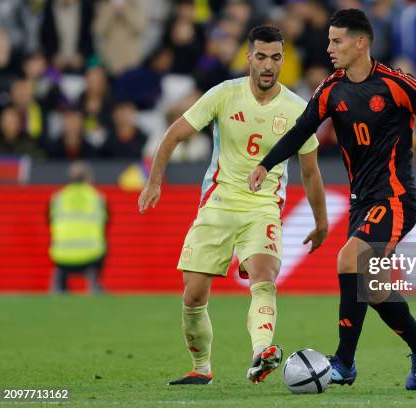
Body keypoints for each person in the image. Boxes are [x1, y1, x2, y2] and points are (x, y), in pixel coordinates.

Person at [248, 9, 416, 391]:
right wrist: (265, 163)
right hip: (361, 203)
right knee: (371, 287)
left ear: (361, 43)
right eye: (329, 40)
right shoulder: (330, 90)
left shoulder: (397, 84)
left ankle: (344, 363)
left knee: (348, 261)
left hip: (396, 198)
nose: (329, 48)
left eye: (337, 41)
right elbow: (300, 131)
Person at [138, 25, 328, 385]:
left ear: (283, 60)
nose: (268, 65)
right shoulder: (224, 94)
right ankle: (201, 368)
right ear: (249, 57)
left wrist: (321, 222)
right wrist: (154, 180)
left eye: (275, 57)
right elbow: (174, 133)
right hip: (219, 203)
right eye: (261, 57)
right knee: (193, 295)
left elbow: (311, 173)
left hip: (263, 207)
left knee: (264, 277)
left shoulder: (298, 110)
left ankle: (261, 352)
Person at [49, 161, 107, 293]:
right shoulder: (97, 197)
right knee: (103, 241)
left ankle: (60, 286)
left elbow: (50, 222)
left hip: (61, 256)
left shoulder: (58, 198)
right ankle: (95, 283)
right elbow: (105, 223)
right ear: (88, 178)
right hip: (91, 256)